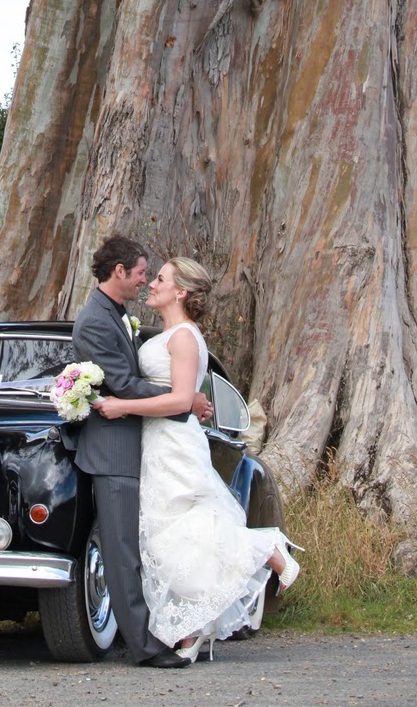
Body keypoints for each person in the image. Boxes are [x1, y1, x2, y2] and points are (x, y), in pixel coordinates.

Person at [93, 256, 299, 661]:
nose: (152, 284)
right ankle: (190, 629)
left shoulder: (185, 337)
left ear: (180, 292)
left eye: (161, 279)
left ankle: (270, 551)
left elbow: (179, 400)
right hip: (155, 441)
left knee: (188, 527)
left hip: (174, 441)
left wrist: (122, 406)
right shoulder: (167, 335)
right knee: (166, 538)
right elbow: (180, 393)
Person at [71, 234, 213, 668]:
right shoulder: (95, 320)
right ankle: (144, 648)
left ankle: (159, 631)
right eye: (139, 273)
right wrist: (184, 399)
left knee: (139, 547)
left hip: (135, 446)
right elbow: (123, 385)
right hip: (112, 449)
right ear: (119, 272)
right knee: (121, 552)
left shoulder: (115, 313)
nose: (144, 280)